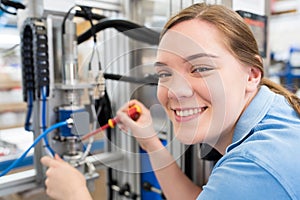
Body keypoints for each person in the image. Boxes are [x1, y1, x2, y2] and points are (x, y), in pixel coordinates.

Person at [41, 3, 300, 200]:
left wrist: (76, 194)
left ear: (252, 75)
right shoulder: (278, 114)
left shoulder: (254, 165)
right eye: (164, 73)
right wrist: (150, 141)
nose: (175, 91)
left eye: (200, 68)